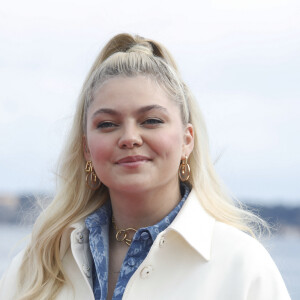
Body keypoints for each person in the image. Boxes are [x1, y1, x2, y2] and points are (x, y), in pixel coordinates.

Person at [0, 33, 290, 300]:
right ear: (87, 148)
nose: (129, 138)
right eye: (108, 124)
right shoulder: (37, 267)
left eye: (151, 120)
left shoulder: (242, 267)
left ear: (187, 140)